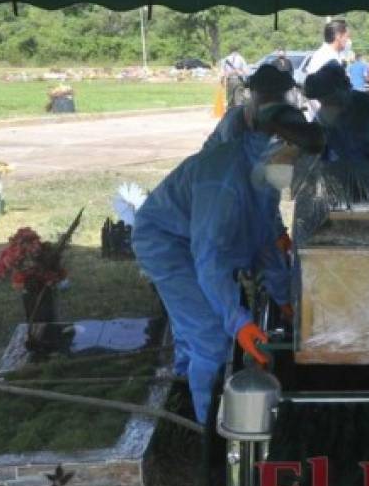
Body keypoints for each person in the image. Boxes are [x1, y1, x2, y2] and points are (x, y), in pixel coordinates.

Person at [133, 66, 325, 424]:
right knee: (210, 335)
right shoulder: (224, 182)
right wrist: (238, 322)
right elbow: (210, 261)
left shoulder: (262, 171)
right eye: (296, 157)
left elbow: (264, 238)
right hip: (167, 241)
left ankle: (187, 382)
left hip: (198, 237)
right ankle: (210, 433)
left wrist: (284, 298)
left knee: (200, 327)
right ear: (280, 148)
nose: (298, 166)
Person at [304, 60, 369, 164]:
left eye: (331, 100)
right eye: (322, 101)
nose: (326, 106)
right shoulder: (324, 118)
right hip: (342, 177)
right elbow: (319, 151)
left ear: (344, 90)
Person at [305, 19, 352, 119]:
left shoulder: (335, 56)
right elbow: (314, 94)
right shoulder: (323, 57)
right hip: (327, 120)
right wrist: (326, 117)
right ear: (338, 37)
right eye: (347, 37)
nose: (348, 41)